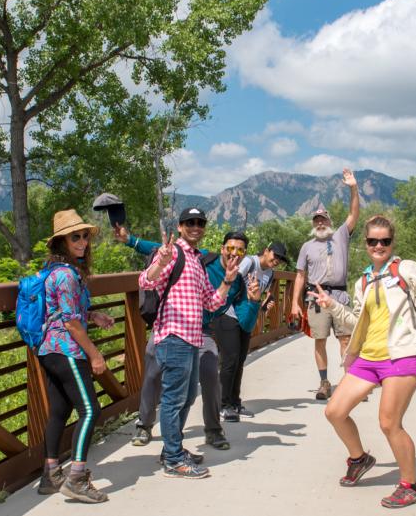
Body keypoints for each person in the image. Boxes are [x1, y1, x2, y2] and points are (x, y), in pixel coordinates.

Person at [310, 215, 416, 508]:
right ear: (366, 244)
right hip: (369, 356)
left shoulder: (405, 268)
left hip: (403, 353)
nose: (378, 245)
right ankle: (360, 458)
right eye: (372, 241)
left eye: (385, 241)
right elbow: (358, 322)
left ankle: (409, 485)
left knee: (389, 422)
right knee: (334, 411)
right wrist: (332, 306)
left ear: (392, 242)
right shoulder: (364, 280)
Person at [119, 226, 257, 450]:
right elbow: (162, 250)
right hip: (171, 325)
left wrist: (254, 301)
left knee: (211, 373)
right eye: (230, 247)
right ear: (222, 248)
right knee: (153, 370)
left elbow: (246, 322)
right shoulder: (203, 259)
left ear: (244, 254)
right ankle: (144, 425)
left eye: (240, 251)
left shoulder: (238, 282)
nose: (234, 253)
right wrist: (130, 240)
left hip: (202, 331)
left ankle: (213, 430)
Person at [138, 208, 241, 478]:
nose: (196, 226)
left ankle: (172, 449)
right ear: (181, 226)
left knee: (188, 396)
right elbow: (145, 281)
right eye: (190, 222)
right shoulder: (174, 254)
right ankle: (173, 460)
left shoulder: (197, 260)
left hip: (192, 339)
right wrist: (160, 262)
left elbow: (211, 302)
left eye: (200, 223)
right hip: (173, 336)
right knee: (173, 400)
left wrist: (228, 281)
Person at [36, 210, 116, 503]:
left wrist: (93, 315)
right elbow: (69, 323)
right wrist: (94, 354)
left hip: (48, 350)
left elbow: (67, 313)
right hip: (67, 350)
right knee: (90, 410)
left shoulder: (54, 271)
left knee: (59, 411)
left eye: (84, 236)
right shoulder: (67, 276)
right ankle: (77, 478)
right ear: (61, 242)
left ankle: (51, 474)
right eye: (75, 237)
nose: (82, 242)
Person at [291, 168, 360, 400]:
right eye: (317, 220)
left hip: (340, 297)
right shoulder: (307, 246)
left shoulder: (340, 235)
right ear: (314, 223)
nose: (320, 223)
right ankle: (324, 382)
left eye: (324, 219)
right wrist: (294, 304)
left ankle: (348, 382)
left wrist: (353, 187)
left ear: (330, 221)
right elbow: (300, 275)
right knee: (319, 340)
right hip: (316, 300)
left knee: (345, 339)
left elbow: (353, 213)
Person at [217, 241, 288, 421]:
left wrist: (263, 306)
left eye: (280, 258)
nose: (277, 260)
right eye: (275, 255)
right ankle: (223, 405)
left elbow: (258, 297)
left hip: (247, 318)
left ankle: (234, 403)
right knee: (230, 361)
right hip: (230, 315)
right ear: (266, 250)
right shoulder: (250, 262)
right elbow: (231, 281)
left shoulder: (270, 273)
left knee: (240, 361)